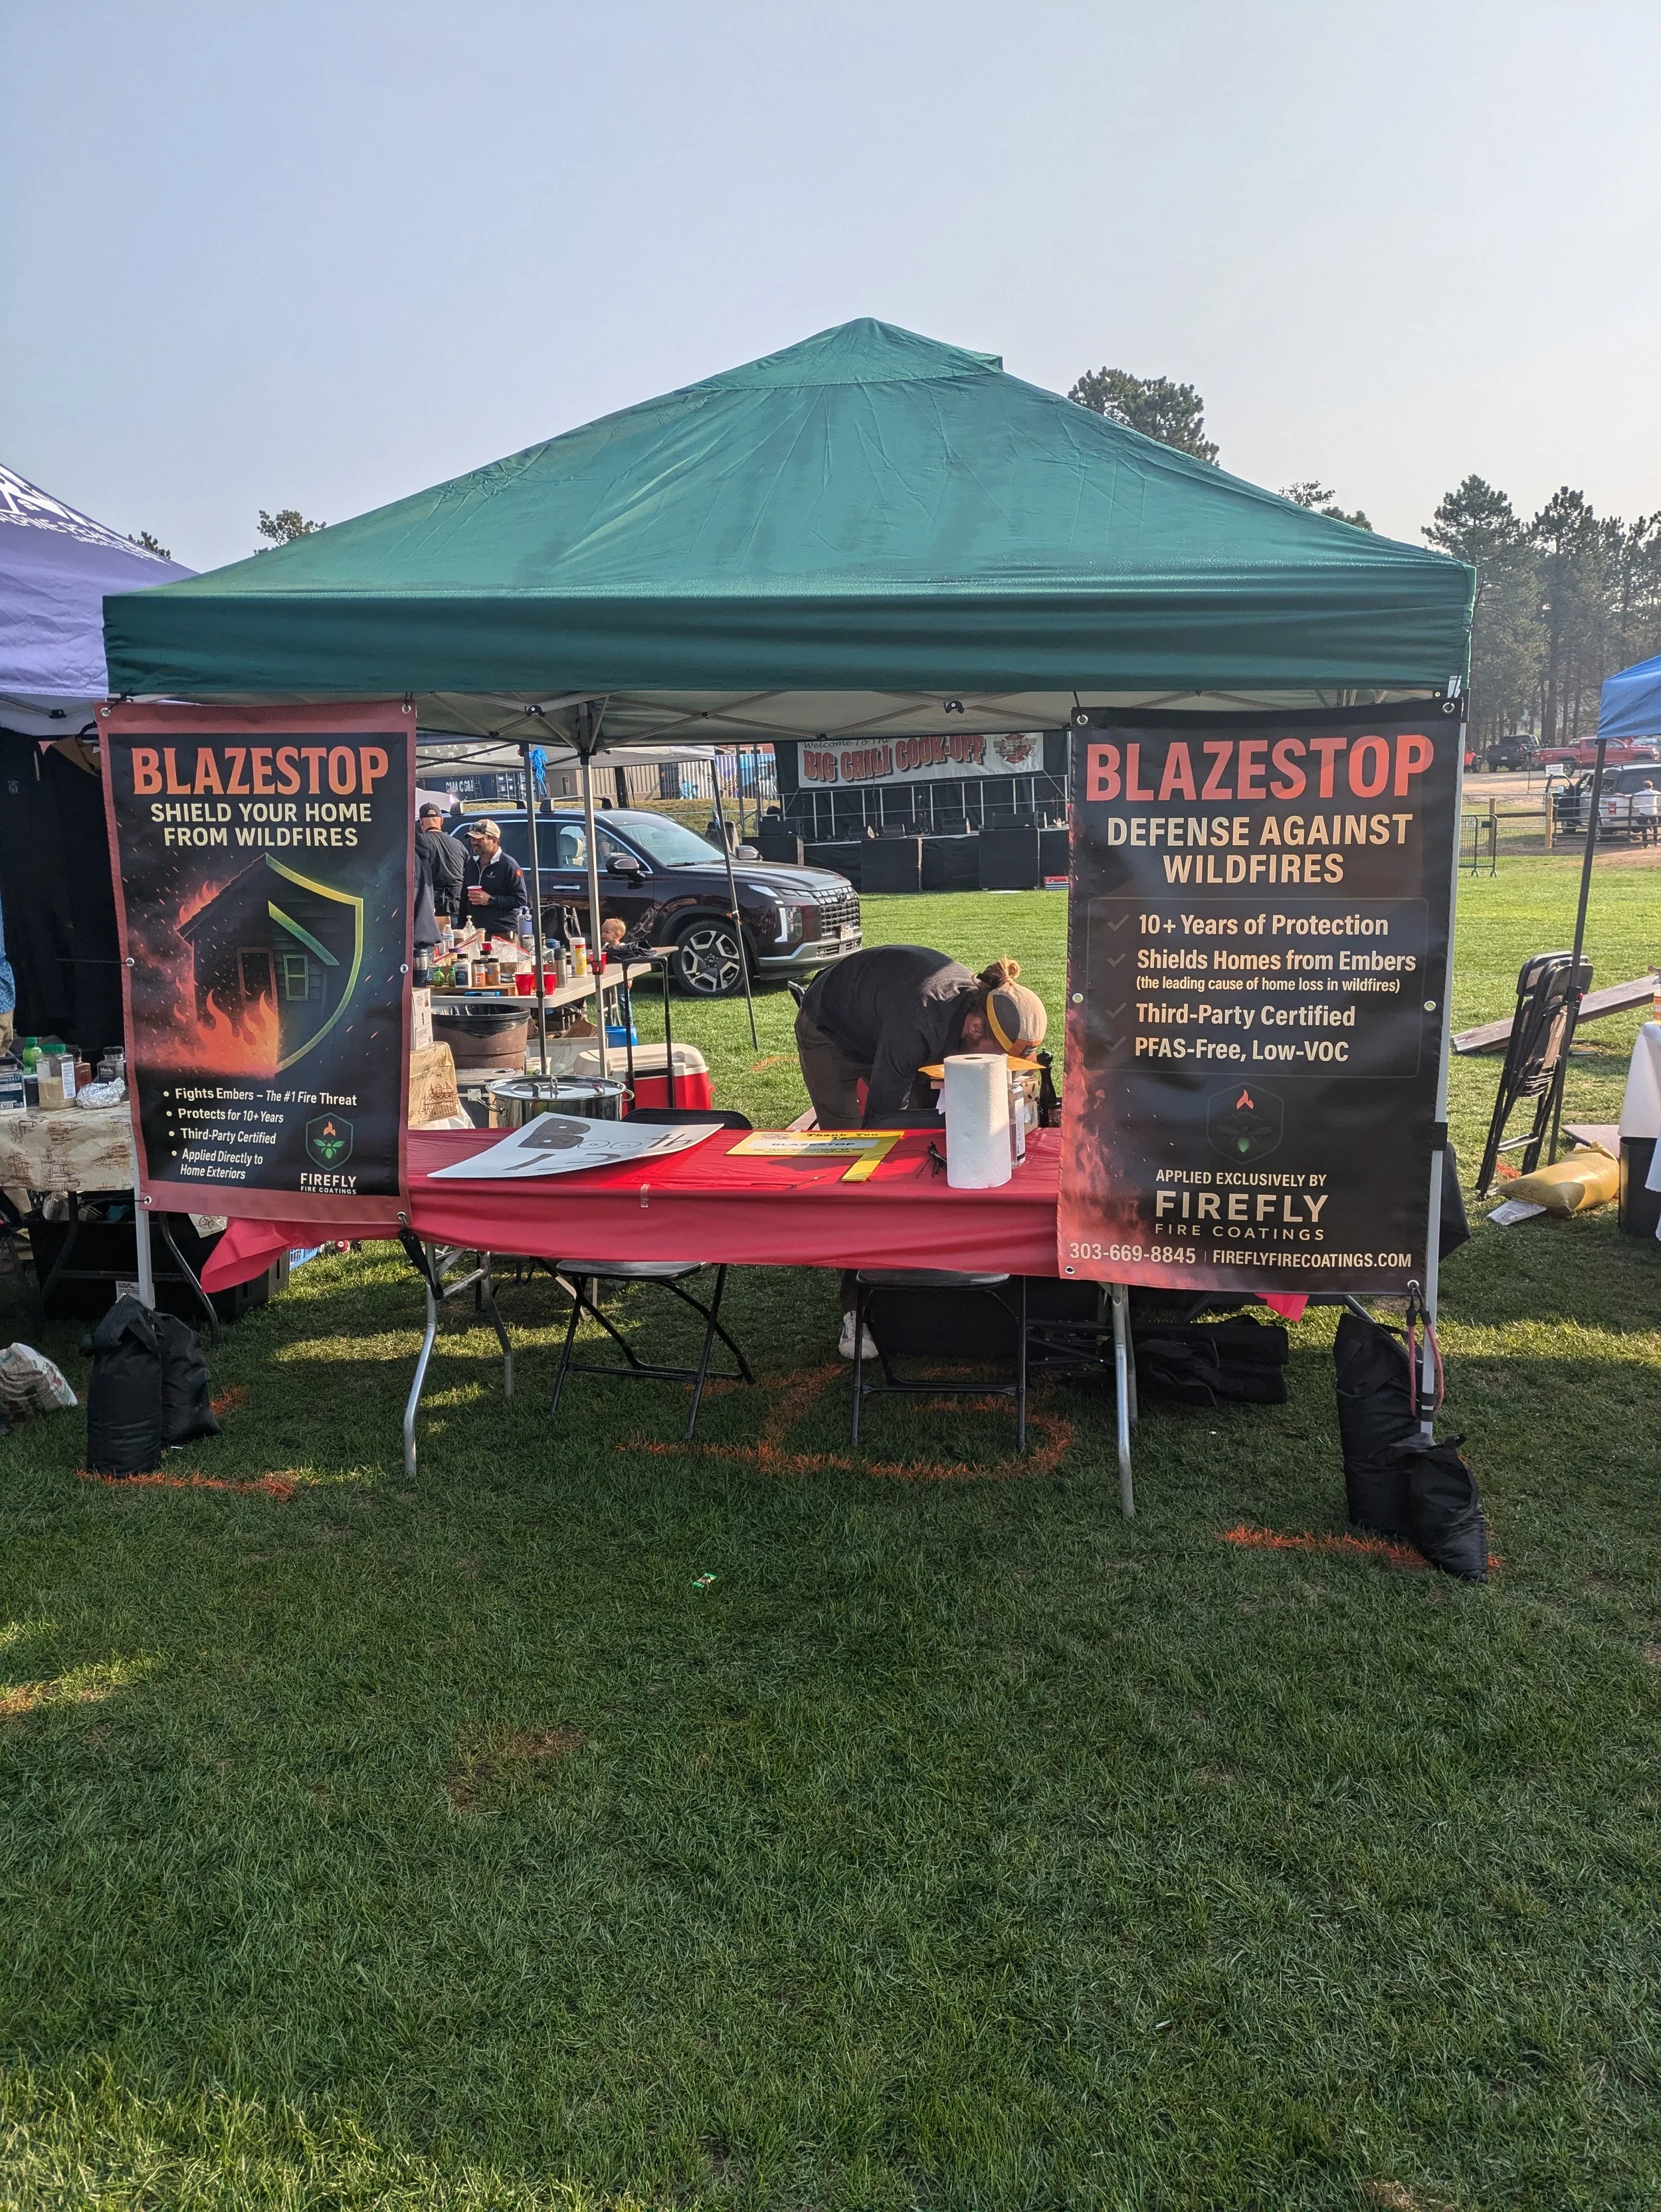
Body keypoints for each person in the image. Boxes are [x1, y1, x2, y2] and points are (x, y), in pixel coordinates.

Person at [795, 944, 1047, 1130]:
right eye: (1002, 1059)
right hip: (829, 1027)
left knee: (922, 1123)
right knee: (849, 1142)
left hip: (884, 1021)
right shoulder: (920, 1022)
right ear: (977, 1028)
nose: (1004, 1066)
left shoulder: (975, 1009)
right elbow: (883, 1117)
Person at [461, 819, 528, 939]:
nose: (474, 842)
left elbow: (521, 900)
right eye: (472, 838)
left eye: (480, 839)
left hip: (502, 933)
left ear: (494, 840)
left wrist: (490, 900)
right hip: (474, 933)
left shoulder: (508, 865)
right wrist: (460, 928)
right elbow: (464, 898)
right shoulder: (472, 863)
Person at [417, 803, 466, 928]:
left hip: (430, 908)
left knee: (434, 947)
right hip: (456, 907)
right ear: (442, 820)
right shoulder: (458, 844)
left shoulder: (419, 843)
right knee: (455, 945)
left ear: (421, 821)